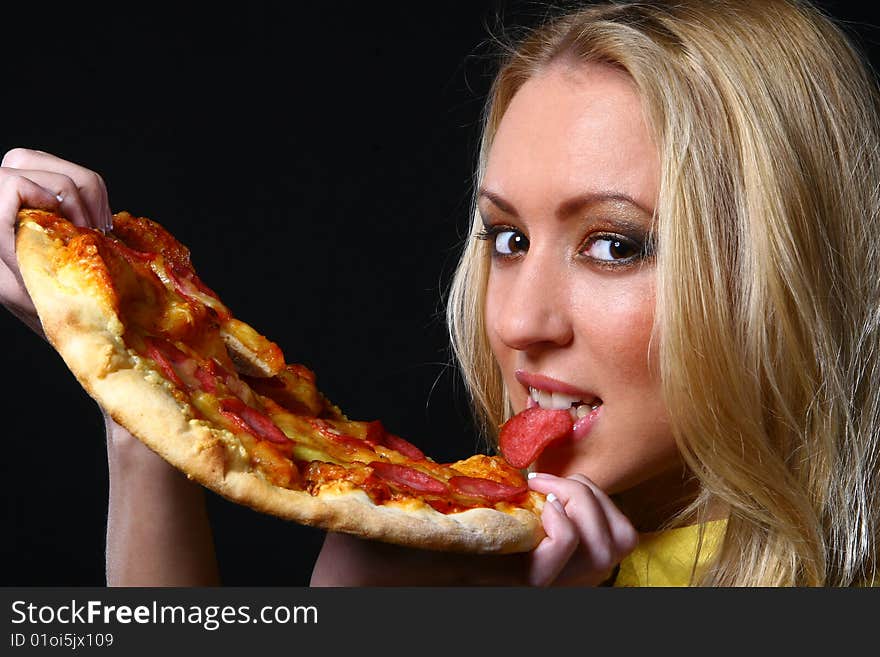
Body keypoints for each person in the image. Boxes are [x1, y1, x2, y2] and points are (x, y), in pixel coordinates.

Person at [2, 0, 878, 586]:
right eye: (509, 238)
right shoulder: (541, 552)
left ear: (787, 272)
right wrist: (145, 400)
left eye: (615, 244)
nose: (519, 322)